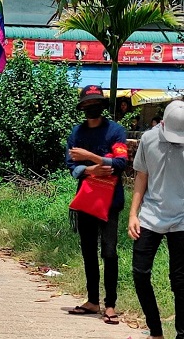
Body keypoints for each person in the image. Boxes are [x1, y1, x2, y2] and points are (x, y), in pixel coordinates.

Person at [65, 85, 127, 322]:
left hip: (110, 202)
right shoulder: (76, 133)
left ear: (102, 106)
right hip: (87, 200)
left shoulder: (115, 131)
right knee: (89, 252)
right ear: (82, 108)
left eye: (96, 104)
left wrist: (89, 157)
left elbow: (120, 163)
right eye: (88, 105)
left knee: (109, 252)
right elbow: (72, 166)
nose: (92, 108)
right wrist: (94, 168)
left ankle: (110, 304)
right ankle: (93, 301)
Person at [129, 100, 184, 339]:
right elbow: (142, 176)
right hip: (151, 216)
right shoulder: (149, 139)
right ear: (162, 124)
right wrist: (133, 213)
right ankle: (156, 332)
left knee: (181, 282)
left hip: (182, 219)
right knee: (140, 273)